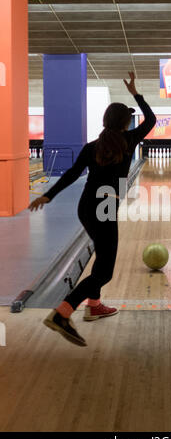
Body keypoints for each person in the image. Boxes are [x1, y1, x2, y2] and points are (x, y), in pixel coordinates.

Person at [28, 72, 156, 347]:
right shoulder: (129, 140)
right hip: (106, 207)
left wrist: (48, 196)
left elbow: (72, 174)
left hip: (86, 206)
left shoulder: (91, 147)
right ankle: (63, 313)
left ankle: (94, 305)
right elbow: (152, 120)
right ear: (124, 123)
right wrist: (136, 93)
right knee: (104, 272)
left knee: (101, 257)